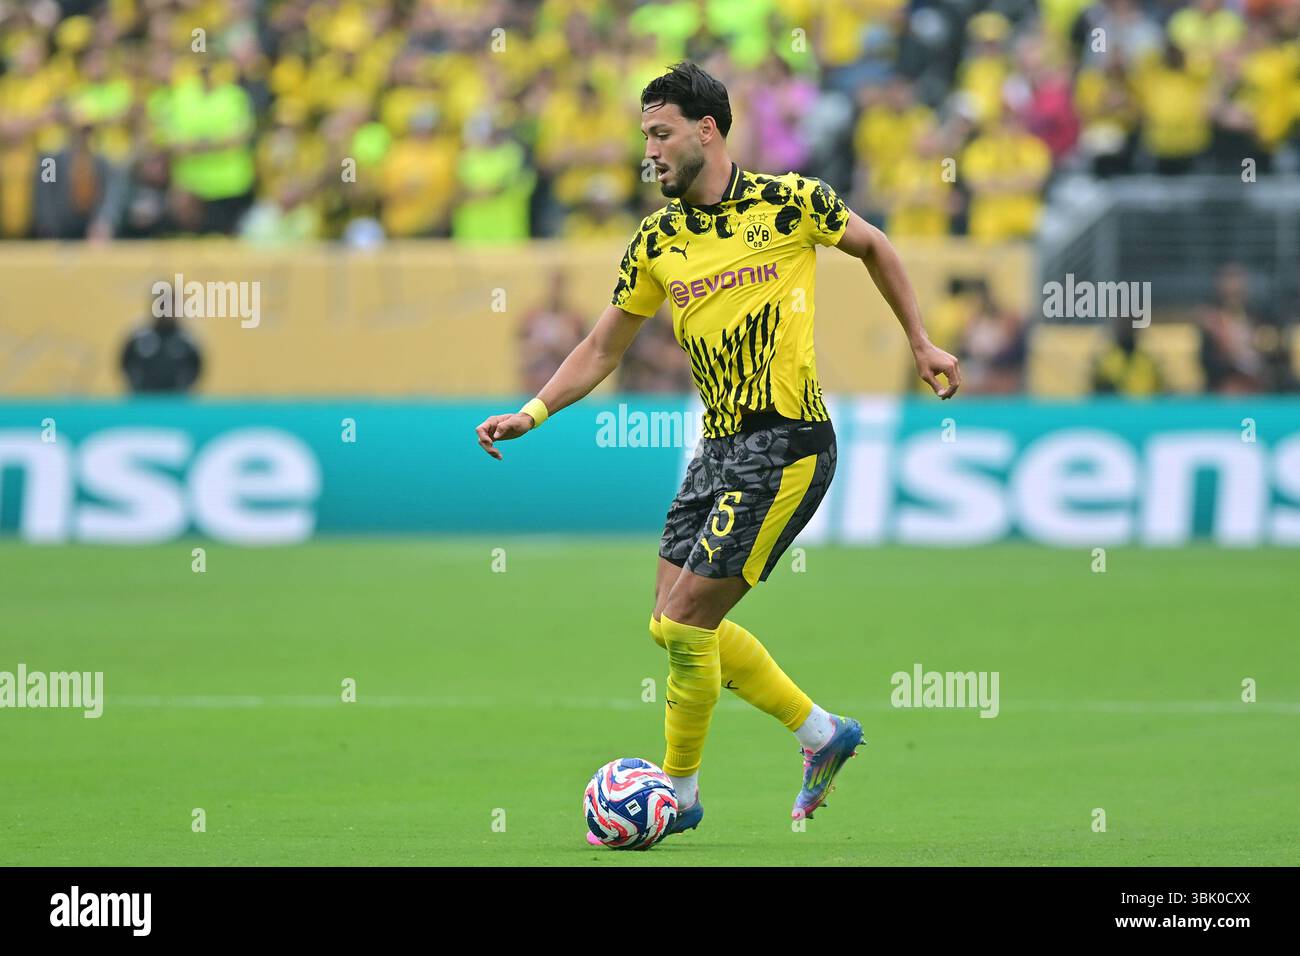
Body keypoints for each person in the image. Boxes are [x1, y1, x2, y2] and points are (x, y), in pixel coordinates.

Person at [474, 62, 960, 840]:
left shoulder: (791, 201)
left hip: (790, 442)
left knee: (691, 622)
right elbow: (604, 345)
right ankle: (821, 733)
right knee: (669, 626)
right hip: (719, 447)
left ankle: (681, 794)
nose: (650, 152)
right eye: (643, 138)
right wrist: (532, 413)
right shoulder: (658, 239)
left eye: (661, 135)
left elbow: (875, 247)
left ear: (707, 131)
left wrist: (921, 341)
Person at [120, 303, 203, 394]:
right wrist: (136, 382)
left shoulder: (186, 340)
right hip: (144, 399)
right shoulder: (139, 338)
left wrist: (184, 385)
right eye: (162, 306)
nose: (166, 312)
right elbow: (124, 363)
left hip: (176, 400)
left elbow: (197, 367)